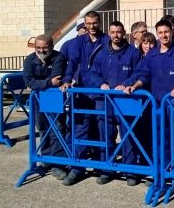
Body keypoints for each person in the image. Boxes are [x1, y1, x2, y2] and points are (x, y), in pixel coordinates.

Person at [123, 19, 174, 175]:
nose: (164, 35)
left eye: (166, 32)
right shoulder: (152, 54)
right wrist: (134, 86)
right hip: (157, 103)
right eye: (160, 32)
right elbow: (144, 75)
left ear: (171, 32)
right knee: (160, 137)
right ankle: (163, 170)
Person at [59, 11, 111, 186]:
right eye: (88, 23)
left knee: (103, 129)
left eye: (94, 23)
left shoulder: (107, 41)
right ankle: (77, 167)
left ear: (100, 22)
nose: (91, 26)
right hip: (81, 91)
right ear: (85, 24)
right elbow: (72, 63)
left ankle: (104, 167)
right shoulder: (79, 41)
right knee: (80, 129)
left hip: (101, 92)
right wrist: (67, 80)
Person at [89, 21, 142, 186]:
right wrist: (101, 84)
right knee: (106, 134)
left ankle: (130, 170)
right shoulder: (101, 53)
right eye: (113, 32)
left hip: (127, 100)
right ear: (109, 33)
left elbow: (140, 72)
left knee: (128, 135)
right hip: (105, 101)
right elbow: (93, 72)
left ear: (124, 33)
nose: (116, 35)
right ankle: (108, 168)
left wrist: (127, 83)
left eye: (119, 32)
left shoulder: (133, 53)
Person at [22, 34, 68, 181]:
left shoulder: (59, 57)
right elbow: (29, 81)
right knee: (42, 128)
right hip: (37, 100)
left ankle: (58, 164)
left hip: (53, 98)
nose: (41, 50)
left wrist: (39, 84)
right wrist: (48, 83)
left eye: (45, 47)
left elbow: (57, 77)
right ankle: (47, 159)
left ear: (52, 46)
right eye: (38, 47)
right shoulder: (29, 60)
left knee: (57, 129)